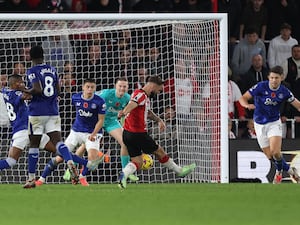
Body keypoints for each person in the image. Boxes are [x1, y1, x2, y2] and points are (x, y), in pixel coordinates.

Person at [117, 75, 196, 189]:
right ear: (153, 86)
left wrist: (159, 120)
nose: (159, 93)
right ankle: (179, 171)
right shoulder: (141, 95)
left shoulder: (140, 95)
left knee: (138, 162)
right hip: (138, 133)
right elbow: (132, 104)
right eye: (159, 90)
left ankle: (123, 174)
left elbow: (147, 113)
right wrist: (124, 112)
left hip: (128, 134)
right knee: (159, 151)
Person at [64, 77, 139, 182]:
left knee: (125, 142)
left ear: (128, 87)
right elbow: (91, 99)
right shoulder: (106, 95)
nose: (122, 88)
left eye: (124, 86)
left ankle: (125, 172)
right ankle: (71, 169)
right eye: (120, 86)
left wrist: (124, 115)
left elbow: (128, 110)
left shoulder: (127, 98)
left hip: (110, 122)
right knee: (85, 145)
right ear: (115, 86)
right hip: (96, 121)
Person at [23, 45, 78, 188]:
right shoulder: (53, 70)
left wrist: (23, 89)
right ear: (43, 56)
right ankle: (69, 162)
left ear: (31, 57)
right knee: (58, 141)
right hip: (53, 111)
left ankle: (31, 179)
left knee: (34, 145)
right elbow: (58, 91)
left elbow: (37, 89)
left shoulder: (32, 71)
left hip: (36, 112)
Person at [35, 78, 106, 186]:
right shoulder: (75, 97)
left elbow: (101, 120)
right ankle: (41, 179)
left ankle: (82, 177)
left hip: (92, 133)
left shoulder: (99, 102)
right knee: (59, 157)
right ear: (83, 87)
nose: (90, 90)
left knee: (92, 157)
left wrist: (93, 134)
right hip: (76, 132)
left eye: (92, 87)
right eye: (87, 87)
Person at [239, 66, 300, 184]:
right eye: (272, 77)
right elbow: (243, 98)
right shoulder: (261, 87)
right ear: (268, 77)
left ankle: (278, 173)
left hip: (274, 123)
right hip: (259, 124)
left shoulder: (284, 91)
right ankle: (289, 170)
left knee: (276, 152)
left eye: (276, 78)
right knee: (269, 156)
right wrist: (247, 105)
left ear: (281, 78)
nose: (274, 80)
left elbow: (297, 104)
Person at [0, 74, 56, 172]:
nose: (23, 84)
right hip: (23, 130)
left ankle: (77, 165)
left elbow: (5, 89)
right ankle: (79, 163)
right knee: (58, 150)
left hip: (25, 130)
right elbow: (26, 96)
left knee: (11, 161)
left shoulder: (6, 92)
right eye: (21, 82)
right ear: (16, 84)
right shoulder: (16, 94)